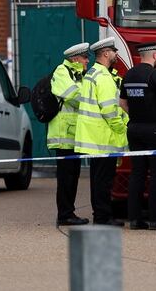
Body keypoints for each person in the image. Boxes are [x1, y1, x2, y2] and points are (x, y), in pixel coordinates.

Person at [119, 41, 156, 230]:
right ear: (154, 56)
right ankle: (155, 219)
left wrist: (137, 116)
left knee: (137, 173)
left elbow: (122, 103)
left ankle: (135, 219)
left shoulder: (128, 74)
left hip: (134, 129)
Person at [74, 37, 128, 226]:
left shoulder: (91, 74)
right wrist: (122, 128)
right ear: (106, 53)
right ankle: (103, 218)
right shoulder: (104, 77)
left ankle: (100, 215)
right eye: (114, 51)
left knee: (97, 180)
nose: (116, 55)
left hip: (93, 137)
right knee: (104, 181)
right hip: (103, 138)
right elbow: (109, 110)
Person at [49, 42, 91, 226]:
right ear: (75, 59)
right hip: (63, 135)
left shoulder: (78, 75)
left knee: (72, 176)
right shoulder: (61, 72)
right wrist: (91, 99)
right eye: (84, 57)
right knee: (66, 178)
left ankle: (69, 212)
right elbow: (73, 96)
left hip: (74, 135)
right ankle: (65, 214)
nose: (87, 61)